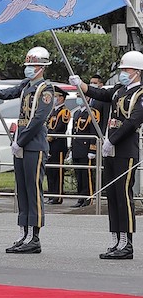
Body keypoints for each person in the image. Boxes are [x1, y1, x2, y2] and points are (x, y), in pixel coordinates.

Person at [0, 46, 53, 254]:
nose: (28, 69)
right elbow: (5, 94)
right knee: (22, 190)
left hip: (34, 144)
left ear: (41, 67)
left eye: (32, 65)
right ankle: (24, 232)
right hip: (20, 143)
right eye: (28, 65)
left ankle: (34, 237)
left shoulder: (45, 90)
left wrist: (21, 142)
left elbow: (38, 119)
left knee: (33, 189)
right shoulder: (26, 85)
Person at [71, 50, 143, 259]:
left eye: (126, 70)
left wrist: (112, 140)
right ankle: (116, 239)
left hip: (126, 151)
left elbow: (132, 121)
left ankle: (127, 243)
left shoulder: (140, 94)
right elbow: (101, 94)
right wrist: (82, 85)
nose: (123, 73)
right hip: (111, 151)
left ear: (137, 72)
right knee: (111, 196)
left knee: (123, 196)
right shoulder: (119, 90)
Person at [69, 76, 103, 208]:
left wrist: (92, 150)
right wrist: (71, 150)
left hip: (86, 148)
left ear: (87, 97)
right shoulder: (77, 113)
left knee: (86, 174)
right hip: (77, 148)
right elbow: (74, 132)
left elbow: (94, 132)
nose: (78, 98)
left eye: (80, 95)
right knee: (79, 175)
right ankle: (80, 197)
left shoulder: (92, 113)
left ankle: (89, 197)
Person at [44, 87, 71, 205]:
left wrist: (50, 136)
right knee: (50, 171)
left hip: (58, 144)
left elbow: (60, 127)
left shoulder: (64, 112)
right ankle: (51, 194)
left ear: (62, 98)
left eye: (57, 96)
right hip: (49, 144)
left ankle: (58, 196)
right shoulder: (52, 111)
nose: (55, 98)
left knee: (58, 171)